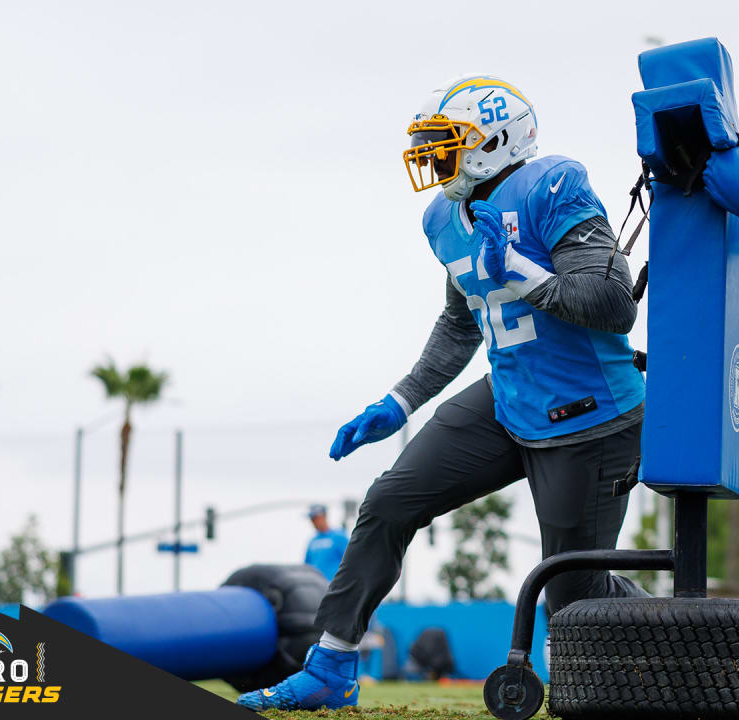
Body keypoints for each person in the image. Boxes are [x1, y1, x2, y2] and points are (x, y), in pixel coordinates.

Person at [238, 75, 646, 712]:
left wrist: (519, 270)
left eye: (446, 142)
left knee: (573, 591)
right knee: (388, 504)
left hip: (590, 414)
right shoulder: (442, 218)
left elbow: (611, 304)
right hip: (509, 397)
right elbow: (463, 322)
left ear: (495, 140)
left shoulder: (552, 183)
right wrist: (398, 402)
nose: (433, 157)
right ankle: (331, 667)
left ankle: (685, 630)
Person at [303, 504, 349, 581]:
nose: (313, 522)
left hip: (335, 586)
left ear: (323, 516)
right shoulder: (312, 541)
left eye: (315, 518)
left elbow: (351, 561)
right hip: (316, 586)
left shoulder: (339, 537)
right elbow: (307, 566)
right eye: (312, 519)